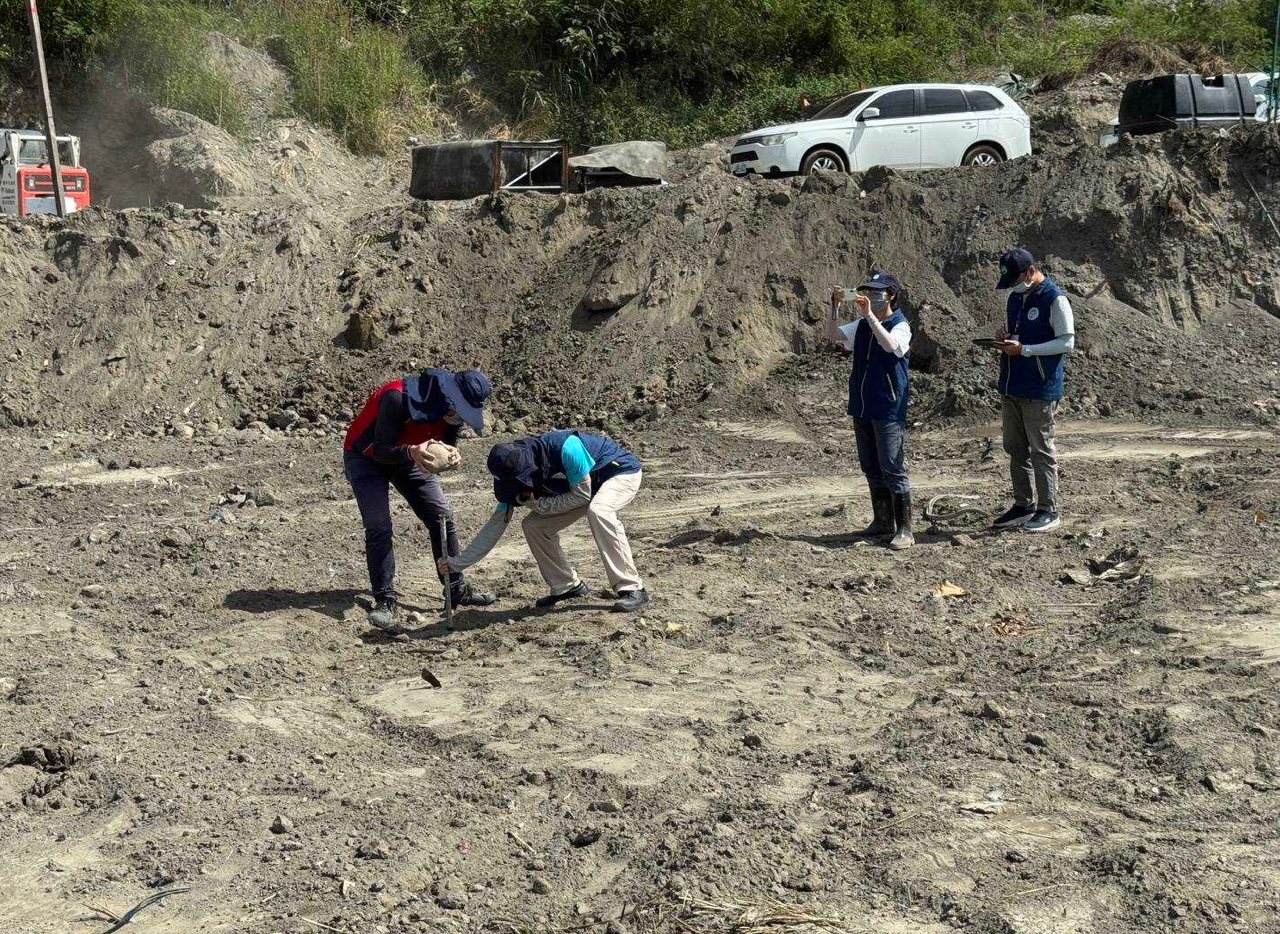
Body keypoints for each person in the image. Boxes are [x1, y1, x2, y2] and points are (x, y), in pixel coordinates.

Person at [343, 368, 497, 631]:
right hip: (366, 457)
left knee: (441, 515)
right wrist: (412, 452)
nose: (458, 418)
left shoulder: (451, 413)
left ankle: (455, 588)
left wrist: (450, 453)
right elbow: (381, 450)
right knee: (379, 525)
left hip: (411, 454)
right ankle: (385, 599)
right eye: (458, 410)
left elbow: (445, 438)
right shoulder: (396, 398)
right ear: (447, 398)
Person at [438, 429, 650, 612]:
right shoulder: (509, 480)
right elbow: (495, 526)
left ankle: (632, 587)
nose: (523, 485)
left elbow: (583, 496)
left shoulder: (566, 448)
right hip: (584, 488)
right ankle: (567, 586)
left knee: (599, 510)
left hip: (618, 472)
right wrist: (458, 563)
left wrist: (539, 504)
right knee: (533, 526)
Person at [825, 272, 914, 550]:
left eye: (878, 293)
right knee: (871, 465)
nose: (872, 297)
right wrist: (834, 308)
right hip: (863, 405)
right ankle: (883, 521)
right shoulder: (862, 325)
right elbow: (832, 336)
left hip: (888, 405)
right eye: (868, 292)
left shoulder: (901, 325)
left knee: (892, 466)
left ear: (891, 296)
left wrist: (871, 317)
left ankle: (905, 529)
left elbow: (891, 346)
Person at [990, 248, 1076, 533]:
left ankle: (1048, 509)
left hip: (1039, 387)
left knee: (1041, 450)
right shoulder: (1016, 298)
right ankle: (1023, 505)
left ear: (1031, 272)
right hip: (1012, 383)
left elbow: (1066, 342)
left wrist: (1025, 350)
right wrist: (1007, 339)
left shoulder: (1055, 299)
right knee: (1015, 449)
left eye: (1017, 279)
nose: (1014, 286)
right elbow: (1020, 333)